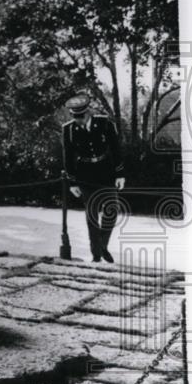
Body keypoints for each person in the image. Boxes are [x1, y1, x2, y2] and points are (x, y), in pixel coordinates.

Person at [62, 94, 126, 263]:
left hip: (106, 173)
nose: (79, 120)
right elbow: (68, 157)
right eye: (75, 116)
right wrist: (72, 182)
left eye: (81, 116)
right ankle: (96, 255)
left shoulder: (105, 123)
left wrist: (120, 174)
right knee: (92, 216)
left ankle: (102, 245)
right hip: (85, 176)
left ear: (88, 112)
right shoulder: (68, 129)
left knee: (111, 210)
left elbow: (116, 149)